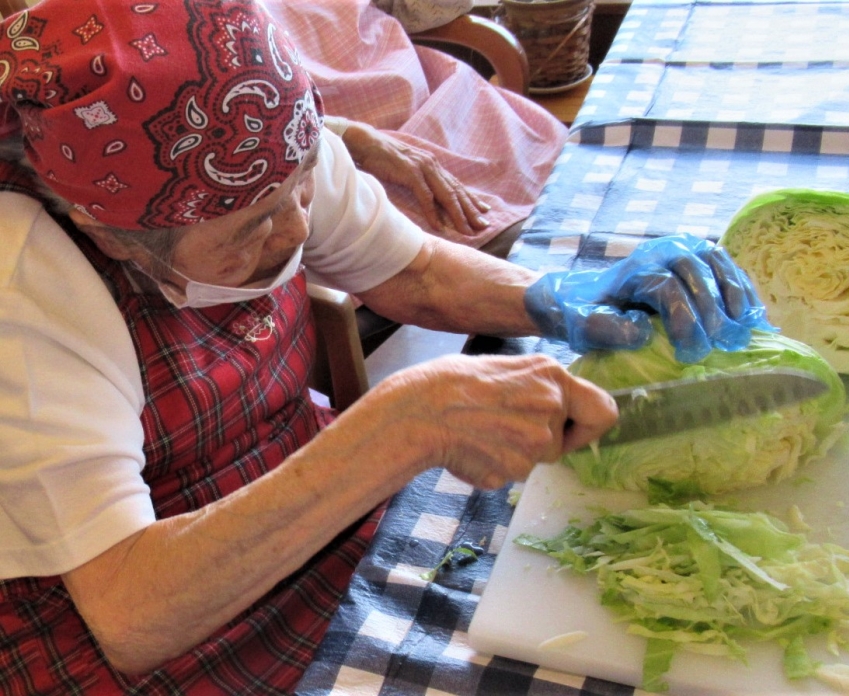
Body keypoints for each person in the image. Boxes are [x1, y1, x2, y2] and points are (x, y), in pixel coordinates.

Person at [0, 1, 770, 694]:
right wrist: (402, 424)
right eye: (250, 232)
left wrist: (561, 296)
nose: (298, 231)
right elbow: (131, 618)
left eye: (302, 188)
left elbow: (415, 272)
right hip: (129, 602)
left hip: (282, 488)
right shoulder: (25, 280)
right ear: (109, 231)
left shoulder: (254, 136)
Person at [265, 0, 569, 258]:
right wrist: (349, 136)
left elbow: (426, 9)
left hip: (441, 96)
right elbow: (247, 120)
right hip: (338, 141)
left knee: (572, 183)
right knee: (536, 247)